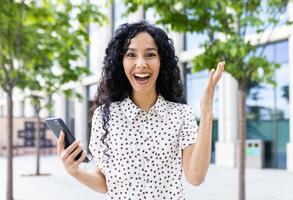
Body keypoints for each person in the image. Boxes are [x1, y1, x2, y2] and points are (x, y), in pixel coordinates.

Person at [57, 21, 224, 199]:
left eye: (150, 54)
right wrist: (74, 171)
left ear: (162, 61)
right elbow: (104, 181)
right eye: (131, 55)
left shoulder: (181, 114)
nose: (141, 63)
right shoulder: (105, 116)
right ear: (121, 62)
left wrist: (206, 111)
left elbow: (196, 177)